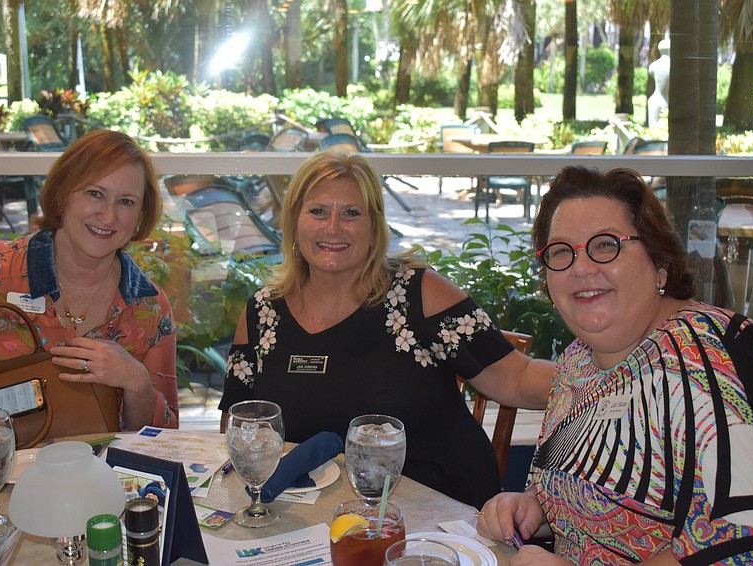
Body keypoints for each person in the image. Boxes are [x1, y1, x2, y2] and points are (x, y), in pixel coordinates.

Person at [218, 151, 554, 508]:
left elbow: (518, 377)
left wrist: (607, 378)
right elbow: (238, 430)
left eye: (351, 213)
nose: (333, 228)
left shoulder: (418, 294)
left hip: (440, 509)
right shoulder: (262, 312)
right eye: (318, 211)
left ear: (374, 225)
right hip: (312, 514)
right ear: (294, 222)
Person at [476, 166, 753, 563]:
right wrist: (533, 509)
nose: (580, 267)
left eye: (606, 244)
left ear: (659, 262)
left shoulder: (713, 357)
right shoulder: (577, 360)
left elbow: (746, 546)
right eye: (562, 251)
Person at [0, 129, 178, 433]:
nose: (108, 217)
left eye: (126, 202)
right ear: (61, 195)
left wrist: (137, 383)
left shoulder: (149, 309)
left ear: (140, 216)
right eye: (95, 193)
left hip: (99, 480)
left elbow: (167, 439)